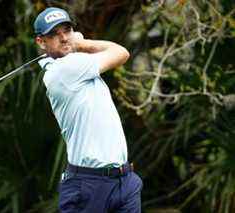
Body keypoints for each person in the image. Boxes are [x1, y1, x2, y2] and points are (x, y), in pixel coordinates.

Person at [34, 7, 143, 213]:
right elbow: (121, 53)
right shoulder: (63, 70)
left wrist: (79, 46)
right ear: (41, 42)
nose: (64, 38)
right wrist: (83, 43)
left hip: (124, 180)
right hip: (89, 186)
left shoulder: (78, 64)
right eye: (54, 34)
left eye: (67, 30)